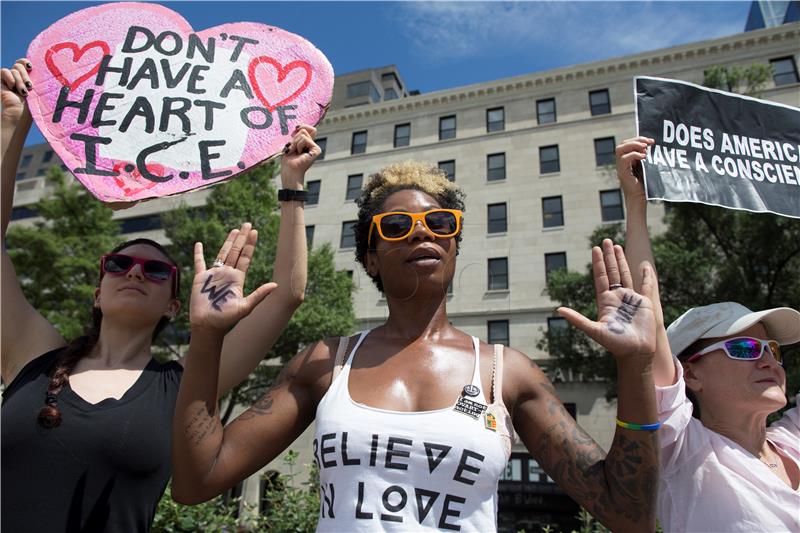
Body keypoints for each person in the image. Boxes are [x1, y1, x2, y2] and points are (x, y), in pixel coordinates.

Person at [172, 160, 663, 531]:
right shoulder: (324, 363)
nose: (422, 232)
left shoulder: (506, 373)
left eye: (440, 223)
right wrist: (208, 338)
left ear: (454, 246)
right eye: (396, 227)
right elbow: (198, 481)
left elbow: (628, 514)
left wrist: (637, 365)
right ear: (371, 258)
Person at [1, 58, 321, 532]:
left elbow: (286, 296)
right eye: (119, 263)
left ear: (174, 304)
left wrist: (292, 184)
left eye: (155, 269)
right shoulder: (34, 355)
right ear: (98, 290)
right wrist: (11, 125)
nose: (135, 272)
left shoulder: (184, 384)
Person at [615, 136, 800, 532]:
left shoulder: (793, 442)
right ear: (691, 374)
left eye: (771, 348)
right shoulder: (684, 451)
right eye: (746, 347)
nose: (769, 358)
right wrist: (635, 204)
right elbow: (647, 311)